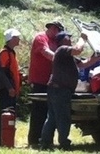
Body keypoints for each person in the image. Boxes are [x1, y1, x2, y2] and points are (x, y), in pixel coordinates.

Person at [39, 31, 82, 150]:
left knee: (52, 117)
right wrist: (83, 38)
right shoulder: (63, 49)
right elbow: (78, 49)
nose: (71, 39)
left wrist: (98, 57)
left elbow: (83, 64)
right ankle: (64, 143)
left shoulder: (67, 55)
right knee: (63, 117)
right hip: (60, 90)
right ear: (63, 39)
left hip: (57, 90)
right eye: (69, 37)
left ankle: (45, 142)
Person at [26, 19, 63, 147]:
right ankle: (34, 140)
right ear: (51, 28)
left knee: (49, 112)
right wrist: (62, 60)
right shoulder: (41, 38)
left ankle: (46, 139)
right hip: (39, 80)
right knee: (38, 111)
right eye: (55, 29)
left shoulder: (55, 42)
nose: (56, 32)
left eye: (58, 30)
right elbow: (46, 53)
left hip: (50, 81)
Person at [0, 28, 24, 147]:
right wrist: (10, 88)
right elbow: (1, 73)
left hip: (10, 90)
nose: (19, 39)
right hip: (6, 91)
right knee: (5, 114)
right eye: (17, 37)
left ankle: (3, 141)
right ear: (11, 39)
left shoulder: (11, 53)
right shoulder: (5, 53)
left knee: (7, 115)